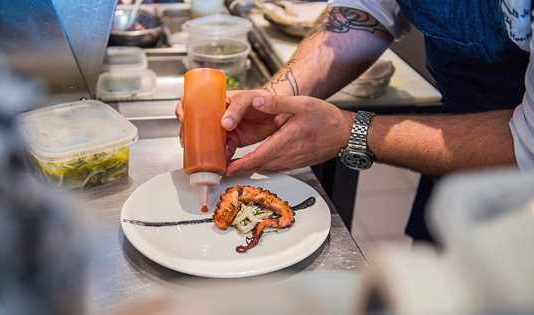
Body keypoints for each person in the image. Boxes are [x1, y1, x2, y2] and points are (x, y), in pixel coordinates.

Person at [177, 0, 534, 243]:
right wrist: (272, 101)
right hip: (456, 148)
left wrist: (350, 132)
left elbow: (526, 142)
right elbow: (367, 11)